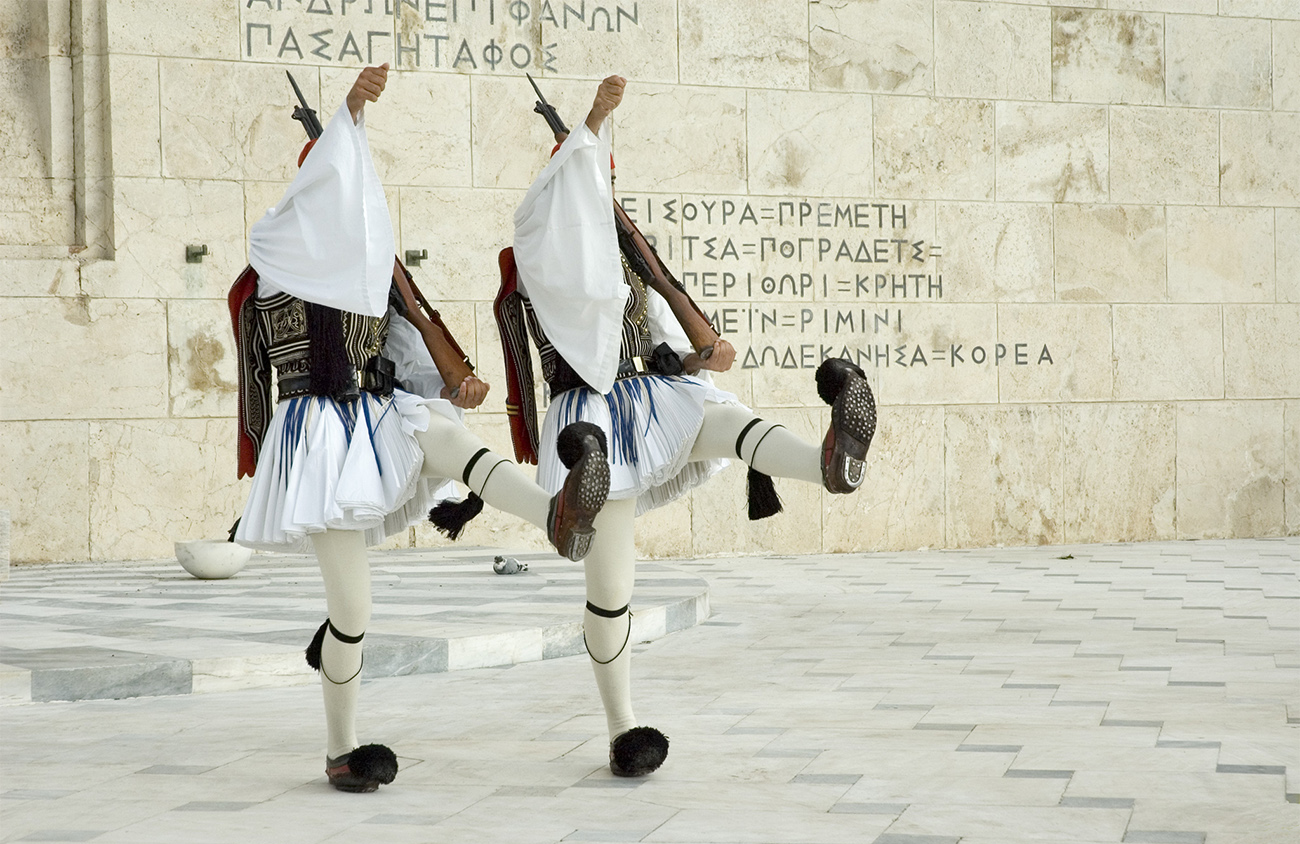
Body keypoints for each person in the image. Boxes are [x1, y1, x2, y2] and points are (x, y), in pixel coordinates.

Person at [469, 76, 877, 777]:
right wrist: (589, 127)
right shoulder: (542, 257)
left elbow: (666, 334)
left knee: (722, 412)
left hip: (651, 395)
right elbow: (559, 252)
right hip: (589, 426)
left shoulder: (628, 258)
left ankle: (830, 459)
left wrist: (699, 352)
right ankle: (623, 726)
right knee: (610, 586)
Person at [228, 64, 611, 793]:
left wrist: (453, 381)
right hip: (317, 439)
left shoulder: (369, 271)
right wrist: (346, 115)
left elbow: (406, 346)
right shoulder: (278, 259)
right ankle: (341, 746)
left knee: (455, 440)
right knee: (353, 609)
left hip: (380, 412)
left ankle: (557, 513)